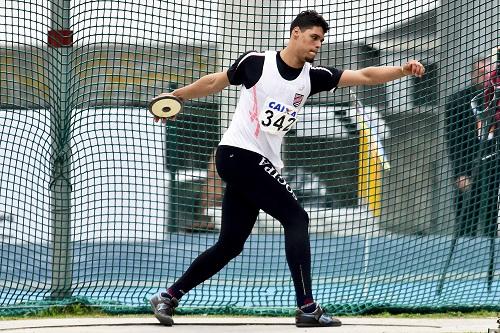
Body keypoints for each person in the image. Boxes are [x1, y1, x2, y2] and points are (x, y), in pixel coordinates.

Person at [149, 10, 425, 327]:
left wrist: (403, 69)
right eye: (313, 37)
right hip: (238, 154)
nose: (318, 44)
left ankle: (168, 296)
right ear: (295, 33)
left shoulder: (313, 77)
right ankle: (307, 307)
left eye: (321, 40)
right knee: (297, 217)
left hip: (256, 163)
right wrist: (176, 96)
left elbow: (365, 76)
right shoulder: (255, 62)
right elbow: (214, 82)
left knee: (230, 245)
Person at [445, 57, 491, 236]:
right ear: (472, 75)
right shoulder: (458, 102)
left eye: (488, 73)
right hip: (470, 168)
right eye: (480, 73)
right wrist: (460, 173)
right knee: (466, 225)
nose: (485, 77)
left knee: (491, 225)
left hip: (493, 168)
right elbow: (454, 140)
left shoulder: (496, 99)